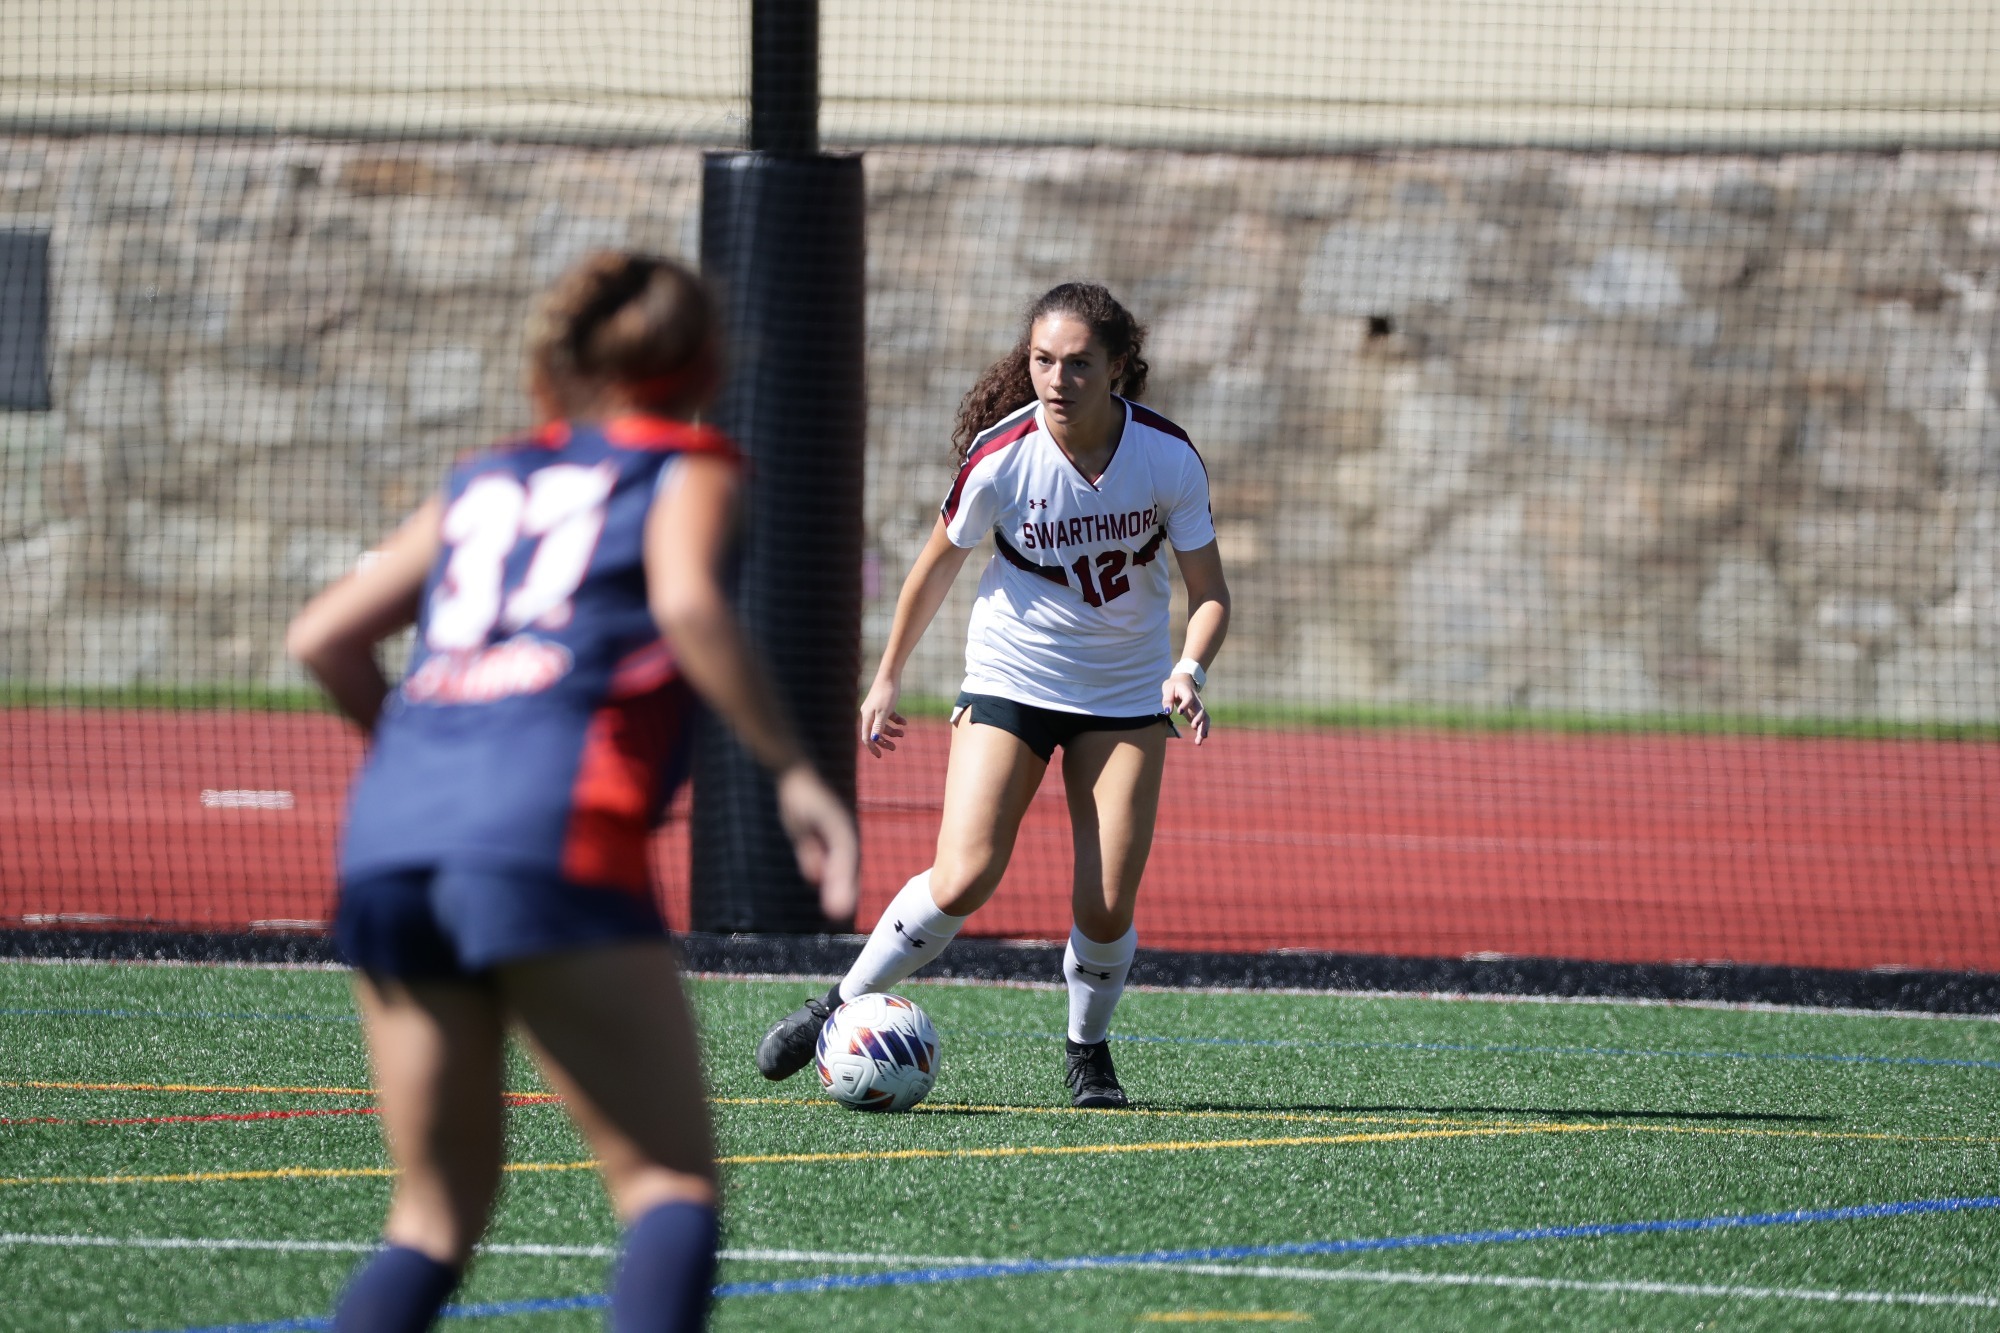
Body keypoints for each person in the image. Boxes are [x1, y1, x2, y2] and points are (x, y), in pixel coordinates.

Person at [286, 251, 858, 1333]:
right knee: (668, 1188)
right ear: (708, 364)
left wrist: (422, 755)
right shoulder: (687, 464)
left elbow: (322, 637)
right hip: (550, 828)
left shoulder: (483, 478)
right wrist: (793, 770)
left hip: (391, 840)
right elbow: (687, 605)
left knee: (430, 1221)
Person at [755, 281, 1230, 1109]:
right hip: (1013, 674)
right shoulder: (1003, 454)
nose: (1058, 379)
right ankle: (838, 1003)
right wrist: (887, 673)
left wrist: (1189, 667)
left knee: (1106, 903)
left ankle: (1088, 1052)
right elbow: (934, 566)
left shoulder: (1166, 456)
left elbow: (1210, 591)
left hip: (1123, 689)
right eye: (1043, 360)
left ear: (1118, 366)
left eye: (1078, 363)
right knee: (965, 874)